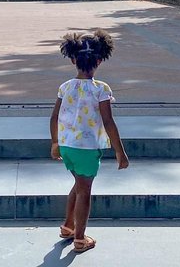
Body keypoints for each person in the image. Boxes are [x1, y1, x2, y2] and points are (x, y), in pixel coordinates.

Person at [49, 30, 129, 253]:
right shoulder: (101, 89)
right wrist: (120, 152)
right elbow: (108, 121)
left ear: (73, 59)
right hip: (86, 149)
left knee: (78, 184)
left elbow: (54, 116)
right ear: (100, 60)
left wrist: (55, 143)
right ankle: (80, 239)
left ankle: (68, 226)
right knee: (85, 191)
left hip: (67, 146)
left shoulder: (65, 87)